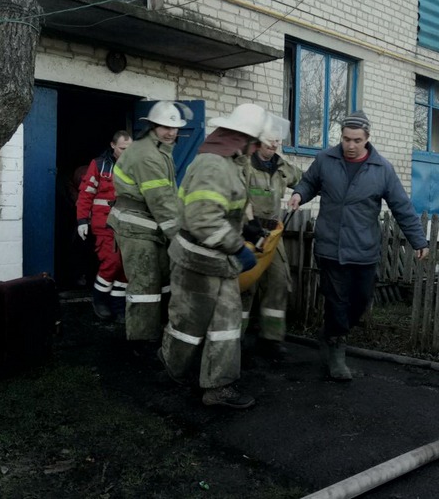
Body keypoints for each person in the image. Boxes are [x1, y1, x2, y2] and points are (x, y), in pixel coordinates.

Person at [159, 103, 287, 409]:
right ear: (242, 138)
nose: (257, 147)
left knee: (227, 324)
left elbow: (233, 202)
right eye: (255, 140)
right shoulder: (213, 165)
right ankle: (172, 364)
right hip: (197, 260)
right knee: (187, 325)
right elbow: (203, 220)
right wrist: (237, 246)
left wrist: (251, 226)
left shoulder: (230, 162)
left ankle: (218, 387)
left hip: (217, 261)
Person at [288, 110, 429, 382]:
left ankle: (330, 334)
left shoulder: (382, 169)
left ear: (367, 139)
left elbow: (401, 206)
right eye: (345, 139)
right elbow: (309, 182)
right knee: (337, 301)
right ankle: (337, 353)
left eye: (356, 140)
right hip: (330, 247)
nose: (350, 146)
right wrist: (298, 194)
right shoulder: (325, 159)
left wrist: (418, 240)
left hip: (363, 249)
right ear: (340, 136)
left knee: (360, 301)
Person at [108, 102, 192, 345]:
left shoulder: (160, 150)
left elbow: (167, 196)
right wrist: (179, 238)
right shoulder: (148, 155)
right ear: (153, 126)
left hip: (148, 225)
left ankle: (157, 332)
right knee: (145, 286)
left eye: (174, 127)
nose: (170, 132)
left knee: (161, 281)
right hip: (136, 226)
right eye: (165, 126)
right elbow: (161, 202)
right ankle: (141, 342)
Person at [241, 127, 301, 360]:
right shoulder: (245, 164)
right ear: (257, 140)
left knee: (278, 281)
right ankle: (235, 339)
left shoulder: (282, 166)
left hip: (273, 235)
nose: (274, 145)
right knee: (246, 286)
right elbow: (238, 195)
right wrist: (248, 225)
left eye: (277, 141)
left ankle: (271, 339)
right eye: (269, 141)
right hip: (248, 232)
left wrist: (301, 194)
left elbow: (306, 180)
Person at [76, 130, 131, 321]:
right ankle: (99, 300)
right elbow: (85, 194)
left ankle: (118, 305)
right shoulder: (99, 165)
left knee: (125, 265)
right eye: (123, 148)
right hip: (104, 223)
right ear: (113, 145)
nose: (127, 152)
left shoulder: (134, 166)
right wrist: (82, 220)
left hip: (127, 224)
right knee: (112, 262)